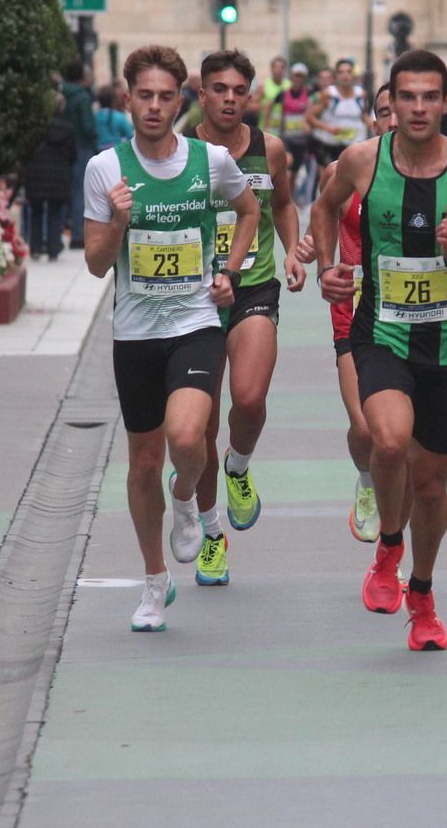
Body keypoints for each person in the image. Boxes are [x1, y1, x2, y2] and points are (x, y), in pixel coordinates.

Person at [310, 49, 447, 652]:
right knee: (387, 440)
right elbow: (322, 207)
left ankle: (422, 593)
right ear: (390, 102)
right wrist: (328, 268)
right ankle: (388, 547)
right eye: (407, 97)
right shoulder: (363, 160)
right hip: (382, 331)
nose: (418, 108)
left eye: (430, 97)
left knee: (431, 485)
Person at [82, 45, 260, 632]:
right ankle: (155, 584)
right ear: (127, 99)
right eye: (144, 96)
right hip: (135, 333)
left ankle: (185, 497)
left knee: (188, 439)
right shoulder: (105, 170)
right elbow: (94, 264)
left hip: (195, 323)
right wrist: (118, 223)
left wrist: (228, 271)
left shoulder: (209, 161)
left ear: (179, 100)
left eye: (165, 96)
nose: (155, 107)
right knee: (141, 462)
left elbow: (250, 210)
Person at [183, 49, 305, 587]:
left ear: (249, 95)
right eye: (219, 89)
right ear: (203, 94)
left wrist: (295, 250)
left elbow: (281, 204)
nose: (229, 98)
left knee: (250, 400)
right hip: (193, 301)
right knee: (202, 428)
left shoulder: (269, 150)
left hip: (254, 287)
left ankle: (239, 467)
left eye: (239, 90)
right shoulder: (180, 151)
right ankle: (213, 535)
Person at [291, 84, 398, 544]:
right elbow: (324, 212)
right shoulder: (347, 168)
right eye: (384, 112)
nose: (394, 120)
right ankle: (367, 480)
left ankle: (394, 550)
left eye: (403, 109)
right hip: (353, 306)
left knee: (399, 440)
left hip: (411, 313)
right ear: (372, 121)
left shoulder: (444, 172)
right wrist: (317, 250)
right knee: (364, 428)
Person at [23, 93, 77, 261]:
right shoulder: (68, 128)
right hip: (59, 174)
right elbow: (73, 155)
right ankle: (53, 247)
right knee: (55, 212)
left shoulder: (35, 127)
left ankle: (36, 247)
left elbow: (27, 150)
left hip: (36, 173)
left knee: (36, 212)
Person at [307, 57, 371, 172]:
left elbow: (364, 117)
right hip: (331, 146)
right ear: (336, 76)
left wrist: (375, 125)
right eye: (341, 72)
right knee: (328, 181)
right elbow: (310, 117)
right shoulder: (328, 94)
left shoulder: (362, 95)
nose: (345, 75)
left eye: (348, 72)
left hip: (354, 146)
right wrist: (328, 128)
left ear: (353, 75)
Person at [61, 60, 98, 249]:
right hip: (80, 147)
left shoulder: (60, 93)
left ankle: (52, 235)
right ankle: (78, 235)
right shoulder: (83, 97)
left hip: (59, 146)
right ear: (82, 77)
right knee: (79, 192)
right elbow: (88, 127)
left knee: (59, 191)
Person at [278, 62, 315, 203]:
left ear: (304, 78)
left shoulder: (310, 94)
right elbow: (269, 107)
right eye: (295, 76)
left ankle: (290, 199)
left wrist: (310, 125)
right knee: (288, 164)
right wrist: (268, 127)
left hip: (302, 140)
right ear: (291, 77)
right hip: (287, 138)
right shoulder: (283, 94)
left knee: (294, 173)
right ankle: (284, 199)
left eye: (301, 76)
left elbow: (314, 112)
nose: (298, 79)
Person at [94, 83, 134, 153]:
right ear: (113, 100)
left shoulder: (95, 117)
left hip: (98, 150)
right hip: (116, 151)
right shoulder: (118, 116)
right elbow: (130, 135)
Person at [256, 55, 289, 135]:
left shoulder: (289, 86)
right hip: (267, 129)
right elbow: (252, 106)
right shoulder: (263, 85)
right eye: (276, 67)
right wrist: (266, 106)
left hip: (284, 130)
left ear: (284, 70)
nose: (278, 70)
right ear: (271, 69)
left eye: (281, 68)